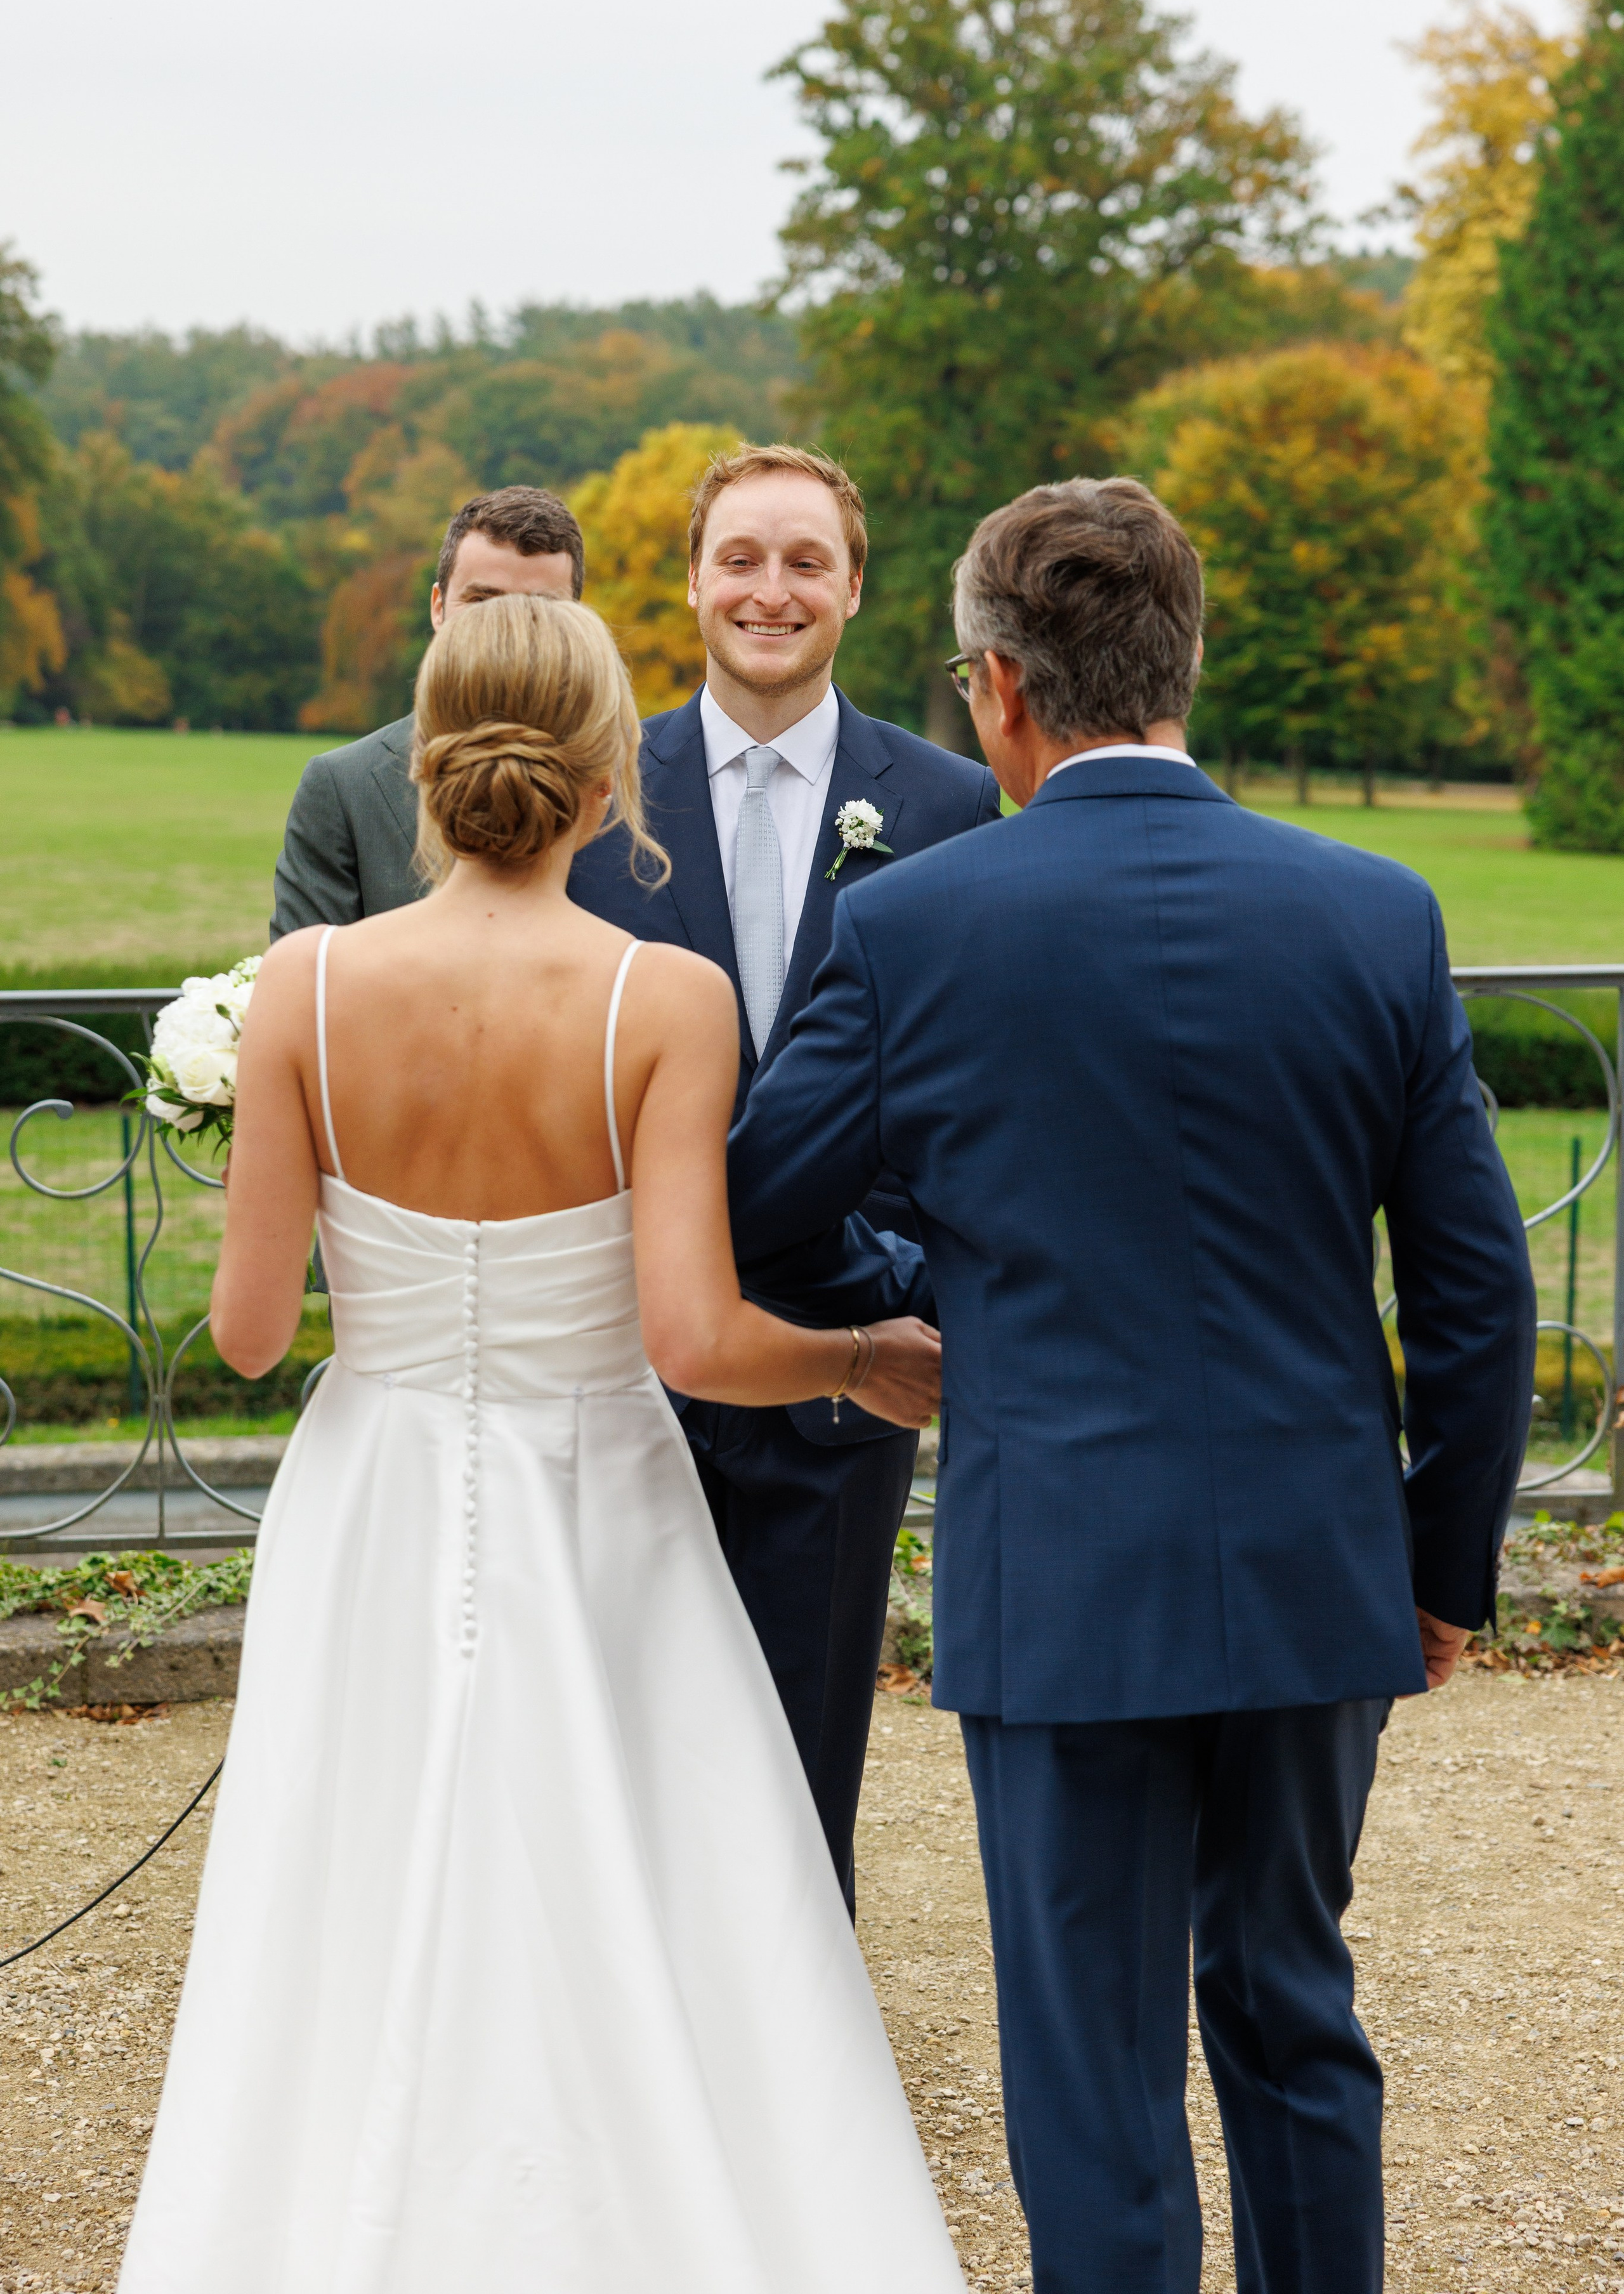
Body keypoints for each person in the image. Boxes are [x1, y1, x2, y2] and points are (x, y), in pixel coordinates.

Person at [726, 478, 1536, 2293]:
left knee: (1092, 2059)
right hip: (1321, 1560)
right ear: (1188, 657)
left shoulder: (917, 927)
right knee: (1293, 2005)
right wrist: (1440, 1570)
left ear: (998, 688)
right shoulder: (1376, 914)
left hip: (1063, 1567)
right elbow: (1478, 1286)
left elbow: (755, 1208)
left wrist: (909, 1315)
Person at [119, 595, 962, 2293]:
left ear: (428, 769)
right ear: (610, 784)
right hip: (606, 1493)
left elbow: (251, 1331)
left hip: (376, 1486)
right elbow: (695, 1338)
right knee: (646, 1863)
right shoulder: (667, 993)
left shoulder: (303, 984)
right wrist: (862, 1351)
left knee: (352, 1868)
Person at [568, 442, 1002, 1906]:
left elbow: (967, 1091)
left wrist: (878, 1306)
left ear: (854, 587)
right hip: (627, 1360)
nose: (770, 588)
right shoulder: (589, 794)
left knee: (805, 1744)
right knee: (620, 1735)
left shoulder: (944, 806)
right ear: (692, 580)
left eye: (804, 560)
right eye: (740, 557)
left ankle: (797, 2055)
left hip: (848, 1361)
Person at [270, 484, 584, 931]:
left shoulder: (627, 778)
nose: (506, 629)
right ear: (438, 607)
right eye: (483, 602)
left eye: (538, 608)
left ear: (579, 621)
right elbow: (307, 988)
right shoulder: (343, 788)